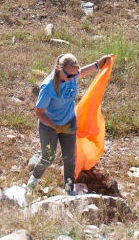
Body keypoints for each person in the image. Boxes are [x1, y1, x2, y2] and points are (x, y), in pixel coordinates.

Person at [26, 53, 112, 195]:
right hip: (49, 126)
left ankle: (69, 189)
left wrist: (98, 64)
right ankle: (33, 179)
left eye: (74, 75)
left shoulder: (71, 76)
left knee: (70, 159)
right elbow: (39, 113)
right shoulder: (48, 87)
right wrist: (57, 127)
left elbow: (81, 72)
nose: (72, 78)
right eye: (69, 75)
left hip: (69, 122)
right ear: (60, 69)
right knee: (48, 157)